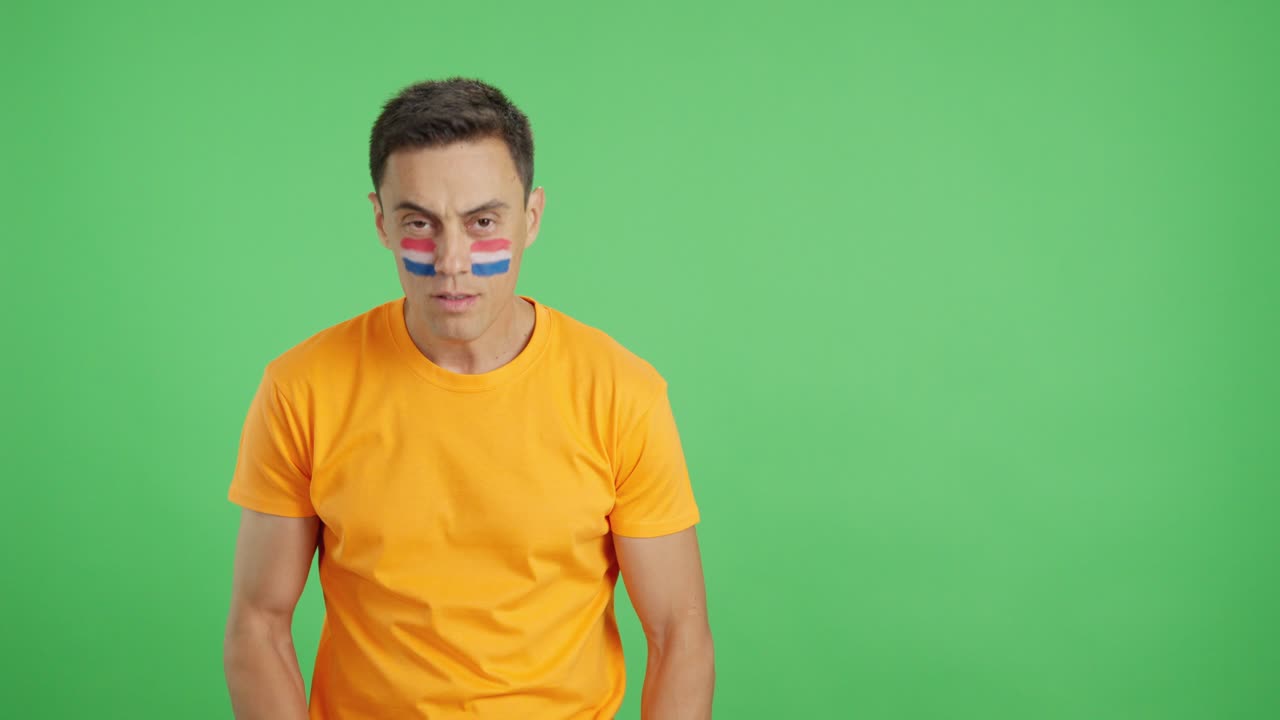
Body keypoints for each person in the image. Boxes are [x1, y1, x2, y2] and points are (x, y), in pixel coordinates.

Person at [221, 77, 714, 719]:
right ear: (381, 223)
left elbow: (679, 633)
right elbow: (257, 624)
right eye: (420, 223)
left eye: (482, 222)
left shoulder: (622, 393)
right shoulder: (302, 388)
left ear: (531, 217)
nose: (452, 261)